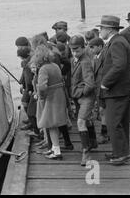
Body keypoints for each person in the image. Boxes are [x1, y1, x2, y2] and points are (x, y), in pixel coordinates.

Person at [97, 15, 130, 165]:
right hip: (121, 90)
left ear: (109, 29)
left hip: (116, 90)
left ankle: (121, 155)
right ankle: (120, 152)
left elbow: (119, 65)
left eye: (102, 28)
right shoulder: (116, 41)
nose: (100, 31)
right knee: (121, 123)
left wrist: (105, 83)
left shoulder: (117, 43)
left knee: (113, 123)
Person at [31, 45, 68, 160]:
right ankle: (53, 149)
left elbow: (42, 87)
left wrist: (40, 97)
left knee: (51, 125)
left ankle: (56, 151)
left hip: (50, 99)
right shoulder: (55, 65)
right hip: (59, 96)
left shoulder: (43, 69)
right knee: (54, 124)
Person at [69, 35, 97, 166]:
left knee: (80, 122)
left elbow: (90, 84)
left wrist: (80, 93)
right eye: (72, 50)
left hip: (85, 97)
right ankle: (92, 141)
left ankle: (86, 153)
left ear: (83, 47)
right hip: (77, 96)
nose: (74, 52)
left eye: (77, 49)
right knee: (87, 119)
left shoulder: (85, 61)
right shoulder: (75, 59)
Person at [88, 37, 109, 144]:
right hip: (99, 88)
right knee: (102, 110)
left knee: (103, 110)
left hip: (104, 88)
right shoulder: (96, 57)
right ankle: (105, 132)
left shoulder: (104, 56)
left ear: (100, 46)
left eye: (92, 47)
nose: (90, 49)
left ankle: (104, 133)